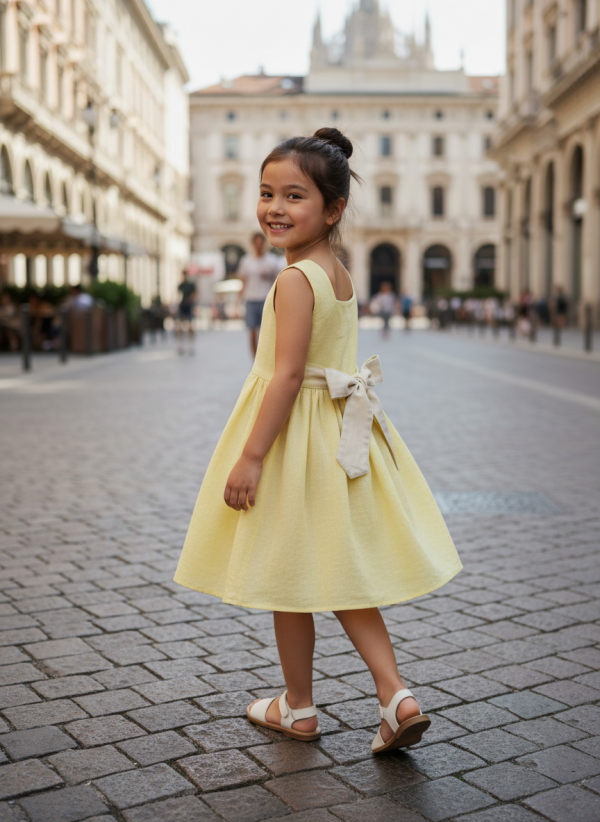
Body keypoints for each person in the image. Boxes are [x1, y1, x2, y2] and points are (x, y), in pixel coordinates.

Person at [174, 128, 462, 754]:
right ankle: (393, 695)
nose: (274, 207)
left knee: (289, 573)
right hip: (335, 434)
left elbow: (285, 375)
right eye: (266, 193)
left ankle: (300, 707)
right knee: (339, 573)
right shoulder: (338, 275)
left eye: (294, 196)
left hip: (294, 444)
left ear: (332, 210)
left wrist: (251, 455)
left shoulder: (293, 281)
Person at [238, 232, 281, 357]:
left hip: (267, 300)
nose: (259, 246)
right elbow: (243, 281)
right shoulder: (246, 261)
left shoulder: (272, 260)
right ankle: (255, 361)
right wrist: (238, 301)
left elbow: (279, 280)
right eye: (256, 243)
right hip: (250, 300)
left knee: (268, 333)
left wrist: (269, 275)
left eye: (261, 243)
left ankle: (267, 359)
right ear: (252, 244)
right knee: (252, 332)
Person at [177, 270, 197, 355]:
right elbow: (178, 295)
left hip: (189, 306)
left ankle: (191, 346)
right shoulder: (180, 285)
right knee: (180, 326)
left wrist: (190, 300)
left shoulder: (191, 285)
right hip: (182, 306)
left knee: (190, 326)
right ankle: (180, 345)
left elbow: (195, 294)